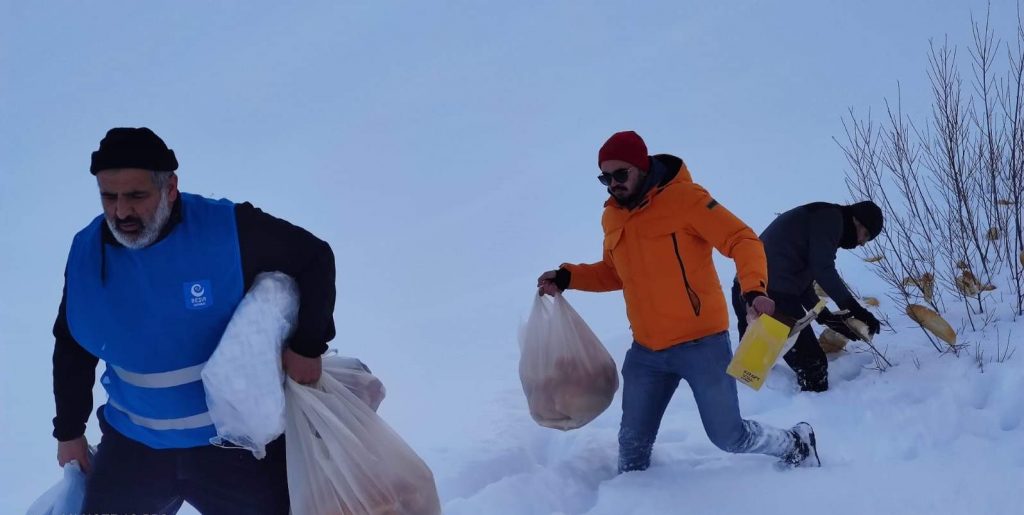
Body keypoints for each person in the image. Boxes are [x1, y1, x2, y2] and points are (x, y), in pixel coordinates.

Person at [51, 127, 336, 514]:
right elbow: (72, 343)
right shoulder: (87, 252)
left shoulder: (228, 230)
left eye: (136, 196)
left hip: (235, 445)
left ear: (170, 188)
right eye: (109, 196)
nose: (121, 212)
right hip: (135, 448)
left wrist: (308, 345)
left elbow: (314, 258)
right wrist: (69, 430)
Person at [537, 130, 819, 473]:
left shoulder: (687, 200)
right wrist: (569, 278)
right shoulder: (612, 217)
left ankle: (796, 443)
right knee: (632, 452)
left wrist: (754, 289)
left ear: (641, 167)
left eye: (620, 174)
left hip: (702, 345)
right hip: (647, 352)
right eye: (605, 177)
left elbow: (742, 239)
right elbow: (615, 273)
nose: (613, 184)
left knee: (729, 436)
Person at [730, 201, 884, 392]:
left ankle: (756, 407)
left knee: (752, 368)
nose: (862, 243)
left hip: (746, 290)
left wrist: (826, 316)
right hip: (770, 299)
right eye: (866, 235)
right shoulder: (831, 220)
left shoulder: (820, 218)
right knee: (813, 367)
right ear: (857, 221)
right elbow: (823, 270)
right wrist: (857, 309)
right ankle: (808, 414)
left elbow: (801, 284)